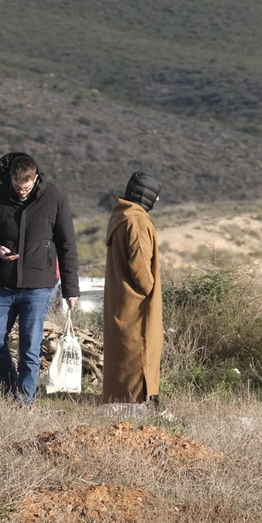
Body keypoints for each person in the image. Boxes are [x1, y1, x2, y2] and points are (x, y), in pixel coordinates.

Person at [0, 153, 79, 404]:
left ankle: (24, 403)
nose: (21, 192)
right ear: (10, 180)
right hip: (2, 285)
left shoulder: (55, 198)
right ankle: (11, 387)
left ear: (35, 178)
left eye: (26, 187)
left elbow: (67, 245)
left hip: (38, 286)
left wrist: (70, 289)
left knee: (29, 349)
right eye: (17, 187)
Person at [102, 172, 163, 404]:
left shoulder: (121, 216)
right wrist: (150, 291)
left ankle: (120, 398)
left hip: (121, 301)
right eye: (155, 196)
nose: (156, 201)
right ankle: (140, 400)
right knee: (139, 351)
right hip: (137, 306)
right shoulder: (137, 220)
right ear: (145, 195)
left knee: (122, 352)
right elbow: (140, 265)